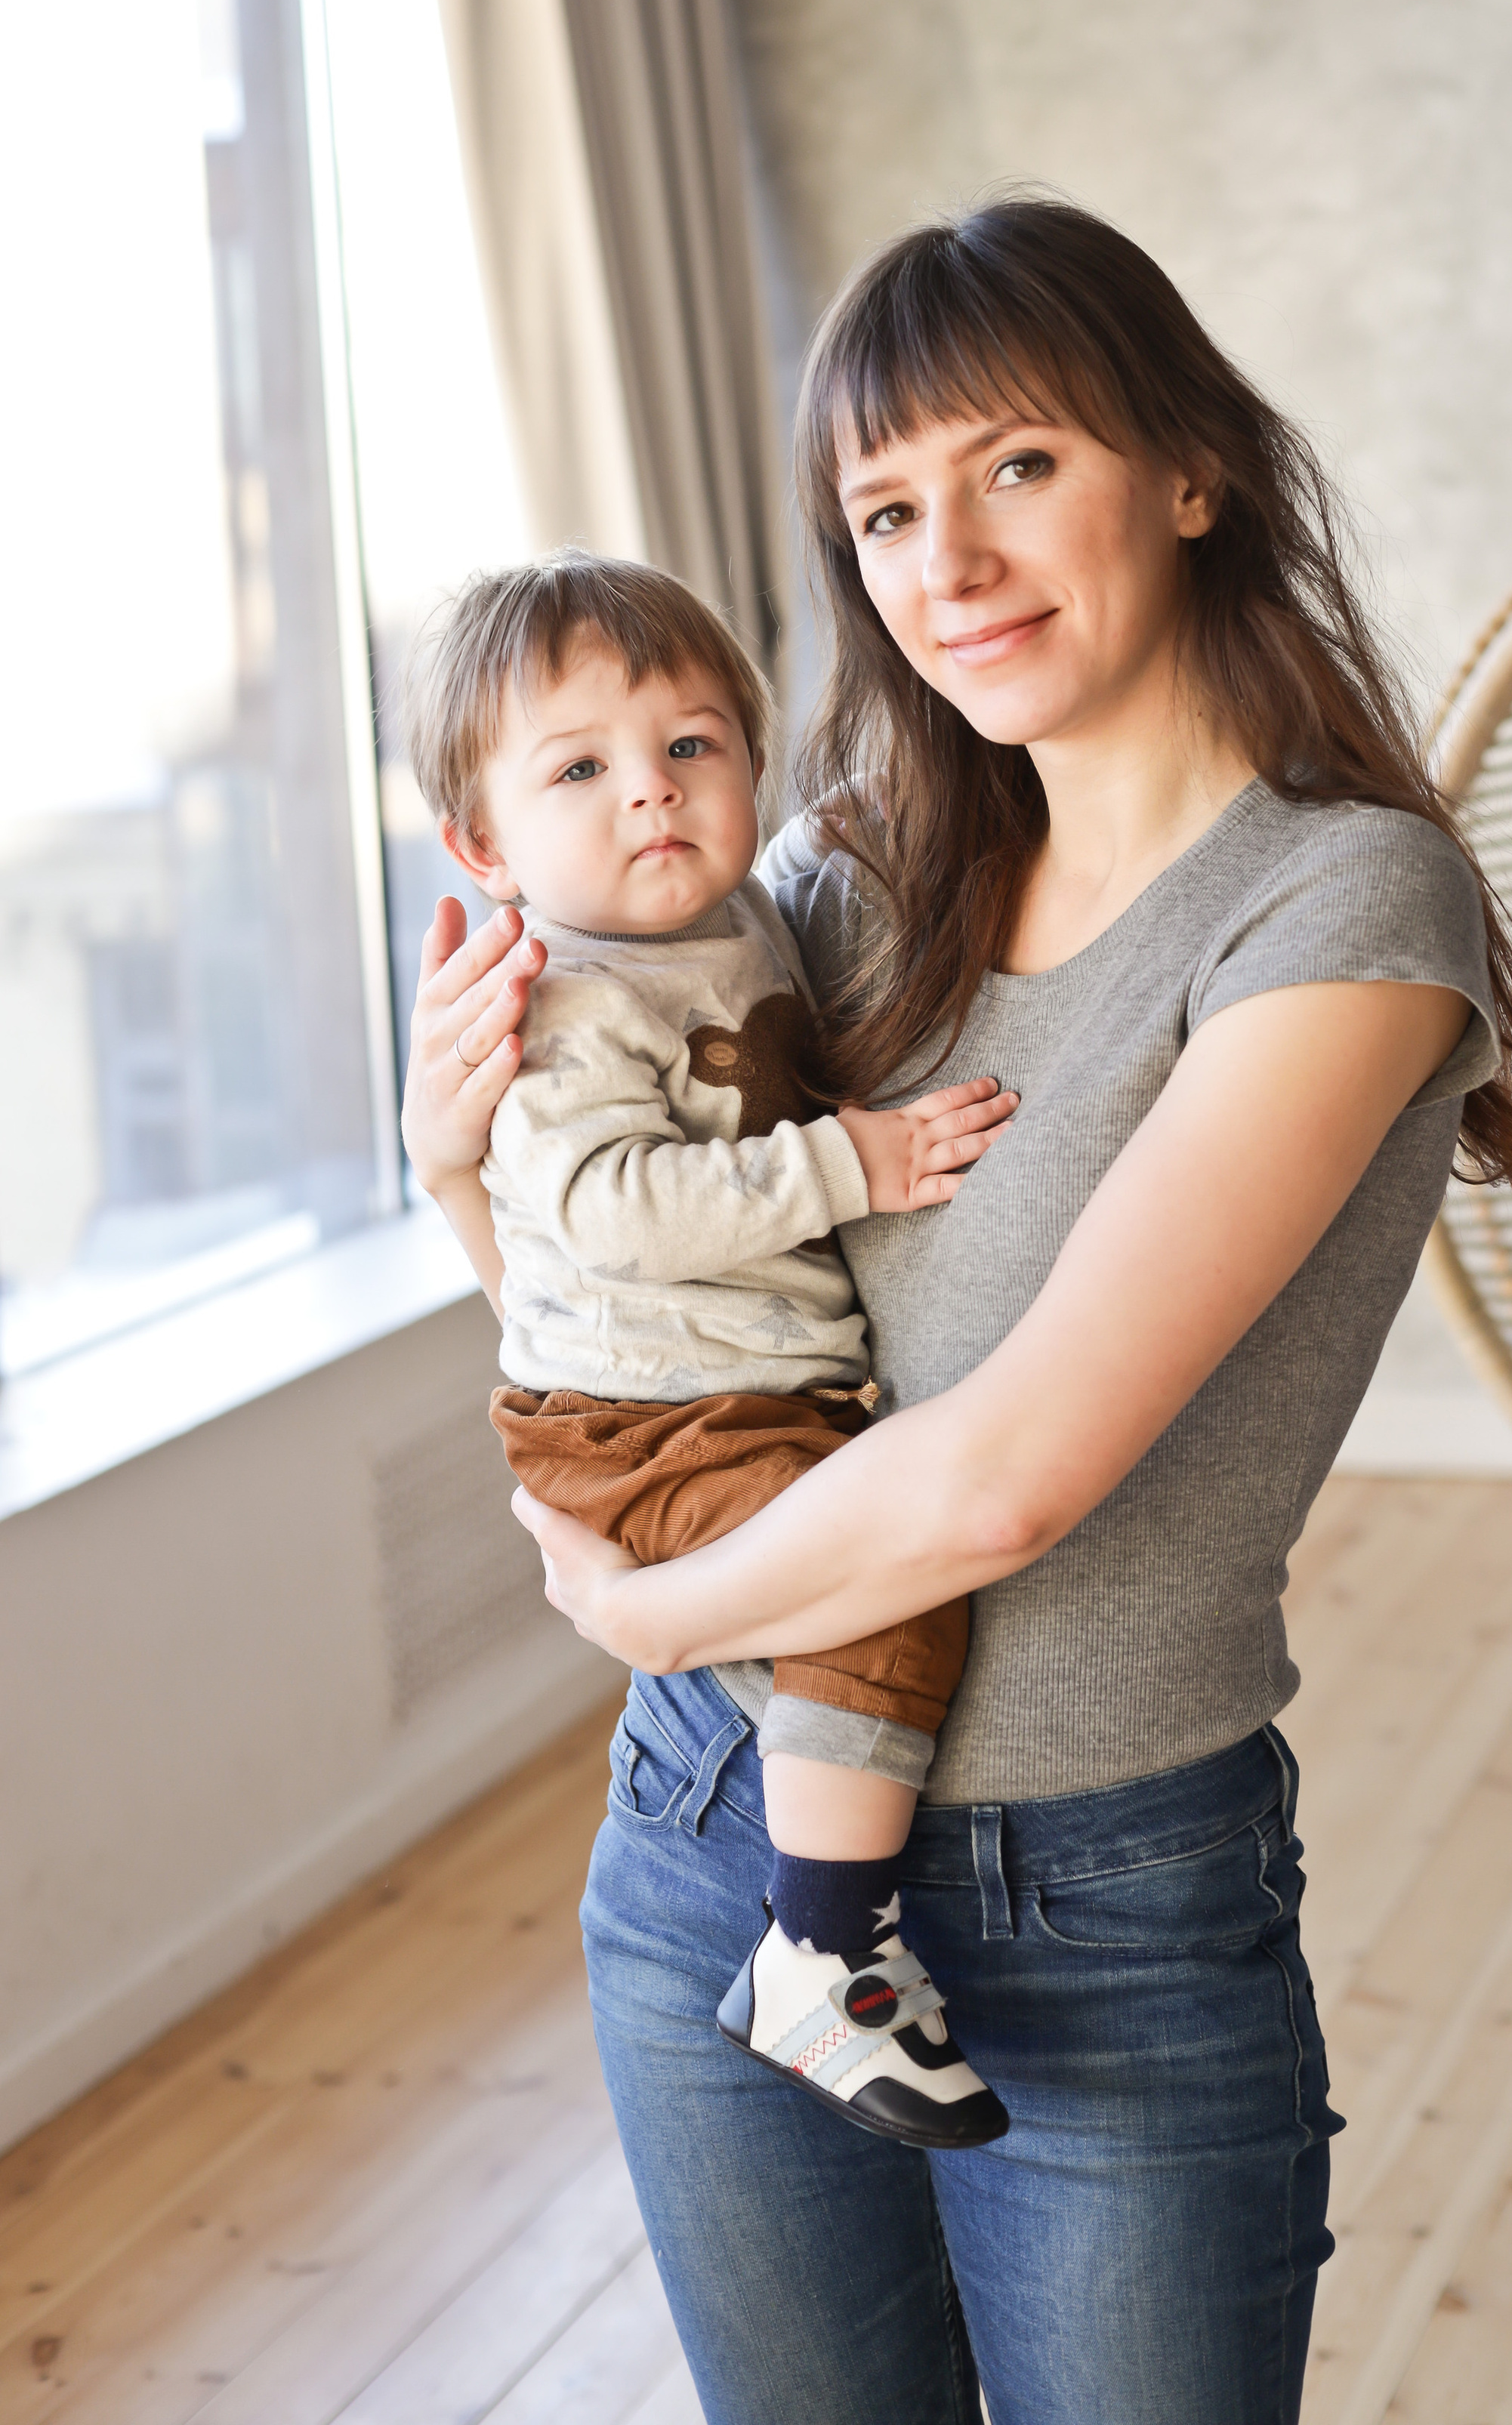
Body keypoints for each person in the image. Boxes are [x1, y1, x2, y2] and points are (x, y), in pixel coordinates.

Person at [401, 199, 1512, 2425]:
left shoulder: (1341, 903)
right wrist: (453, 1154)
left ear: (1188, 466)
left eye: (1017, 465)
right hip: (703, 1848)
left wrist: (664, 1614)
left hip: (1098, 1914)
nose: (949, 554)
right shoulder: (840, 883)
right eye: (885, 509)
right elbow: (632, 1311)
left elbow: (1014, 1468)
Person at [403, 550, 1017, 2146]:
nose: (651, 795)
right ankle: (823, 1950)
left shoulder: (743, 919)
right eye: (581, 769)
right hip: (647, 1416)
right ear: (484, 843)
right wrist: (855, 1165)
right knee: (878, 1606)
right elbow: (610, 1209)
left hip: (727, 1388)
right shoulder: (557, 1005)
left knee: (863, 1565)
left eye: (690, 747)